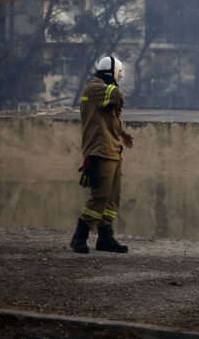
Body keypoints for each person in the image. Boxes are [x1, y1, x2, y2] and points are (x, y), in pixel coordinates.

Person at [70, 55, 134, 254]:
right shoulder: (95, 88)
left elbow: (108, 118)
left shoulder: (103, 92)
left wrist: (122, 133)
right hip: (101, 151)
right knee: (100, 196)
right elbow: (118, 96)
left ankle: (105, 238)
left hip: (113, 150)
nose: (121, 77)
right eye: (120, 72)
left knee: (112, 198)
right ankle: (79, 236)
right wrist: (118, 101)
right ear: (112, 71)